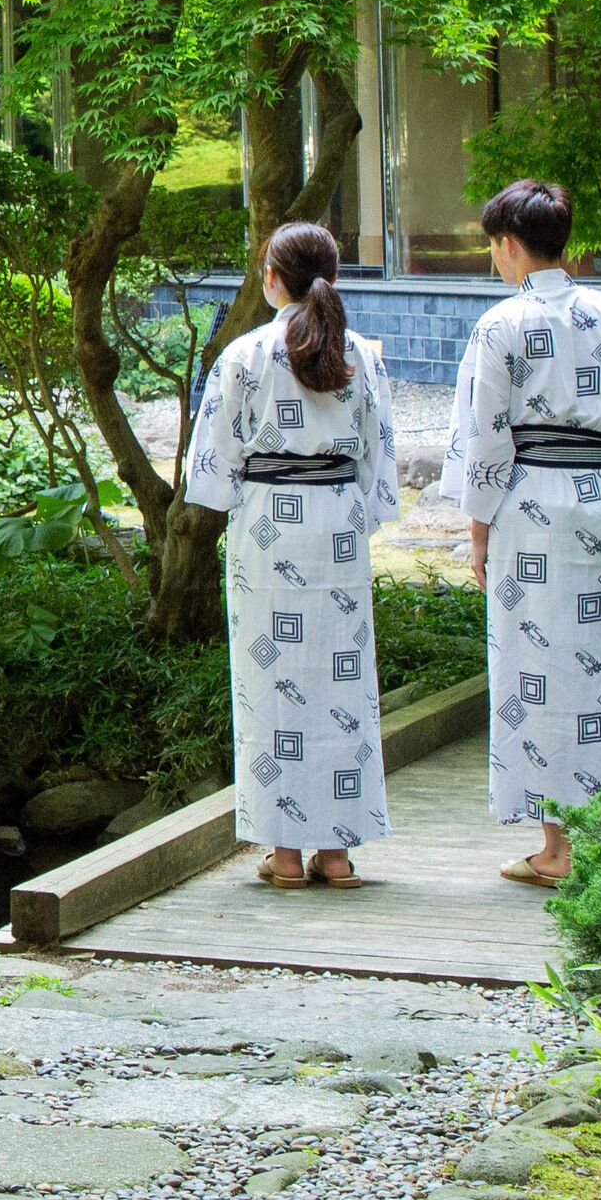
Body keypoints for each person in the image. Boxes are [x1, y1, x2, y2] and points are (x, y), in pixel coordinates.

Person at [447, 177, 601, 887]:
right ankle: (596, 831)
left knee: (533, 668)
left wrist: (478, 533)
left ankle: (557, 846)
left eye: (494, 247)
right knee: (597, 664)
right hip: (597, 497)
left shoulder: (503, 326)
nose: (495, 260)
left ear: (509, 245)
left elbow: (486, 437)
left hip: (530, 502)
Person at [181, 219, 399, 889]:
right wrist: (352, 512)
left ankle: (283, 855)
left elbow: (212, 469)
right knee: (342, 682)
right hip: (334, 522)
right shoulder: (359, 352)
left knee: (269, 687)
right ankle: (336, 853)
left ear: (272, 278)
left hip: (269, 527)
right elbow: (379, 455)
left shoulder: (244, 355)